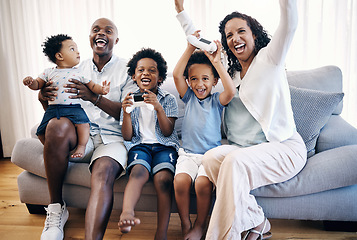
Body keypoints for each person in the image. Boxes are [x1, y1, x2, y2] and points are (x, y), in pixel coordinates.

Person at [175, 0, 307, 239]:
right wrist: (181, 11)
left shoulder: (270, 59)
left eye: (241, 31)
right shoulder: (230, 73)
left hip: (283, 147)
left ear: (254, 35)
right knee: (211, 157)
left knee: (233, 162)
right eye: (229, 35)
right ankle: (257, 220)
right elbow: (198, 41)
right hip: (244, 150)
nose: (234, 38)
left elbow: (290, 24)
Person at [38, 18, 137, 240]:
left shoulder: (128, 69)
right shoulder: (72, 68)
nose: (101, 33)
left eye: (108, 31)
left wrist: (94, 97)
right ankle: (56, 209)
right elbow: (53, 105)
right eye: (96, 30)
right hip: (80, 134)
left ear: (116, 39)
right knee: (55, 125)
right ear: (90, 37)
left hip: (113, 139)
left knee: (102, 174)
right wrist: (42, 95)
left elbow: (129, 115)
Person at [172, 31, 235, 240]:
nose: (200, 84)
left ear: (214, 81)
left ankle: (201, 223)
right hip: (188, 154)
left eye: (205, 79)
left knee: (202, 185)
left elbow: (231, 91)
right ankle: (185, 223)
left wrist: (217, 63)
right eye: (194, 79)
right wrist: (190, 47)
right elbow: (175, 74)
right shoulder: (188, 97)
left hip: (210, 157)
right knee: (180, 183)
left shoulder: (217, 100)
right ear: (188, 82)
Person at [118, 48, 180, 240]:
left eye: (152, 70)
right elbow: (127, 136)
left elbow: (168, 131)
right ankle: (127, 212)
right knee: (137, 173)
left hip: (164, 146)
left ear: (160, 78)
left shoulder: (168, 99)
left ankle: (161, 232)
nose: (146, 73)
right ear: (134, 76)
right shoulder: (128, 99)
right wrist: (126, 113)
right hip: (140, 146)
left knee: (163, 180)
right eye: (141, 70)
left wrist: (158, 107)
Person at [23, 34, 110, 159]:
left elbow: (92, 86)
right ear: (59, 56)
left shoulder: (78, 72)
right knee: (40, 132)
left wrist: (102, 90)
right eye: (72, 49)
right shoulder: (48, 72)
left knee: (84, 124)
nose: (78, 52)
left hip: (73, 107)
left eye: (77, 48)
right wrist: (31, 82)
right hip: (53, 109)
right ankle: (50, 147)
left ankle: (81, 146)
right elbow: (38, 85)